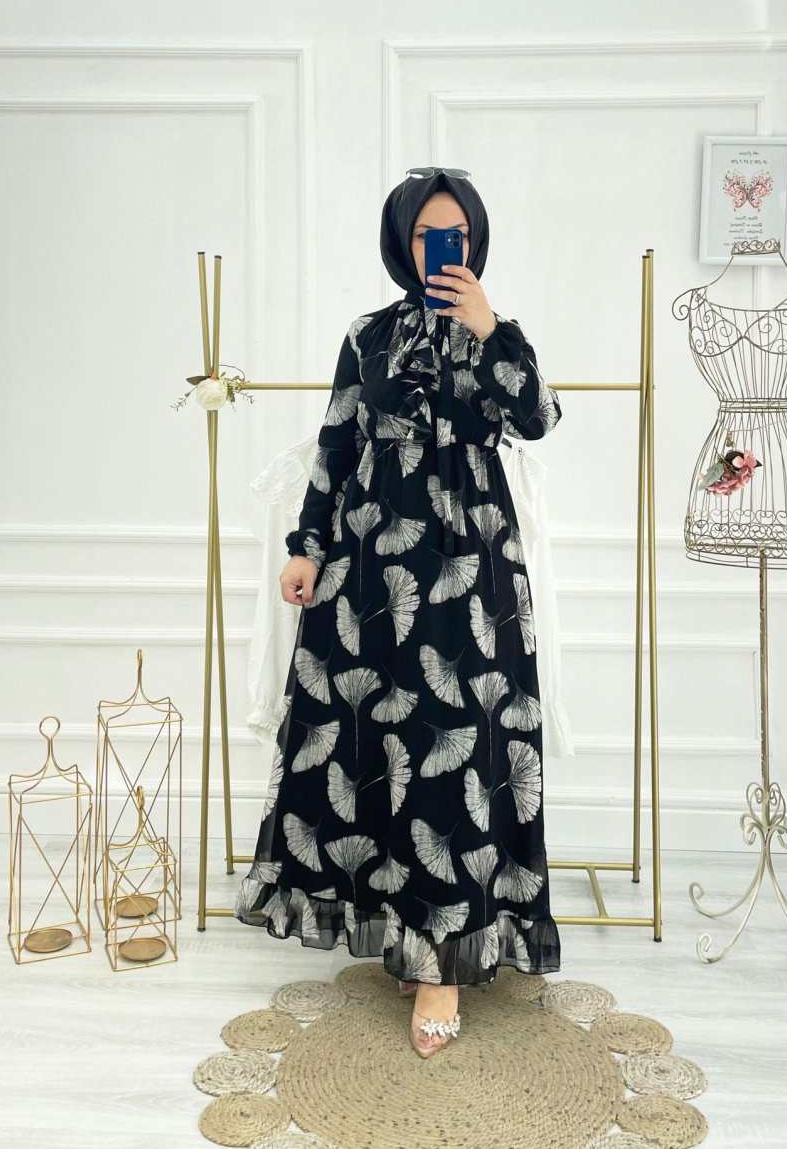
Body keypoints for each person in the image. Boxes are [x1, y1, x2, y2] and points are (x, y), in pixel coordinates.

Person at [235, 168, 563, 1058]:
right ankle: (402, 924)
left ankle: (440, 967)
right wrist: (306, 545)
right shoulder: (367, 336)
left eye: (456, 234)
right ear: (401, 242)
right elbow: (336, 446)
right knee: (380, 749)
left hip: (470, 575)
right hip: (372, 570)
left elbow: (538, 416)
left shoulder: (497, 335)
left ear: (476, 242)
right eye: (425, 235)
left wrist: (488, 327)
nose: (440, 249)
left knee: (454, 756)